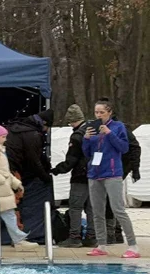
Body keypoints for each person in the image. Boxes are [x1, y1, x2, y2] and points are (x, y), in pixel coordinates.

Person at [82, 99, 139, 258]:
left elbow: (124, 148)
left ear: (109, 112)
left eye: (102, 112)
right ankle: (101, 244)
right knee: (97, 211)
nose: (99, 115)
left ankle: (133, 245)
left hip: (112, 173)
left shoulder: (118, 127)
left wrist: (109, 133)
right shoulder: (91, 127)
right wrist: (86, 139)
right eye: (96, 112)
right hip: (94, 173)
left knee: (118, 209)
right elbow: (87, 153)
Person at [51, 104, 95, 247]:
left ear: (72, 120)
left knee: (75, 207)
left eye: (70, 122)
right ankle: (91, 237)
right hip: (96, 175)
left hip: (80, 177)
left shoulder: (77, 136)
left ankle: (74, 237)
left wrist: (56, 170)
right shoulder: (93, 129)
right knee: (91, 207)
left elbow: (72, 159)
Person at [103, 103, 142, 243]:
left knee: (112, 201)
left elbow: (135, 148)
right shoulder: (101, 127)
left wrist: (135, 169)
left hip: (119, 167)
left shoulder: (121, 128)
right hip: (111, 167)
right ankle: (115, 232)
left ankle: (113, 233)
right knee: (111, 200)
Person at [4, 109, 54, 187]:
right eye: (48, 127)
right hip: (14, 170)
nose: (47, 130)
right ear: (44, 122)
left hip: (4, 166)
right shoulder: (33, 134)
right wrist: (47, 178)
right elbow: (34, 160)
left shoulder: (18, 126)